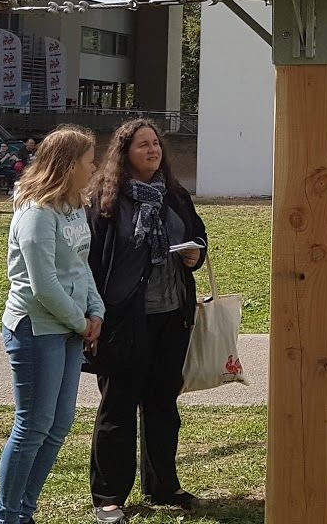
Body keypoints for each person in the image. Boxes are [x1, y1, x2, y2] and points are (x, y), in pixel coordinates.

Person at [86, 119, 209, 521]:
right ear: (124, 152)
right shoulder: (105, 200)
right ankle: (109, 498)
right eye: (143, 145)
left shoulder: (175, 195)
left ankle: (164, 485)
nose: (153, 151)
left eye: (156, 144)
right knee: (117, 408)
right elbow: (92, 261)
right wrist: (94, 313)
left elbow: (197, 237)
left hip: (172, 315)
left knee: (162, 405)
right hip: (125, 319)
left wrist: (195, 255)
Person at [0, 127, 103, 524]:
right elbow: (42, 285)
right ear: (70, 164)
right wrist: (81, 322)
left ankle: (25, 511)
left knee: (58, 426)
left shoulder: (73, 205)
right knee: (33, 426)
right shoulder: (36, 213)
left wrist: (97, 310)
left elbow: (80, 263)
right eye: (89, 160)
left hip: (72, 328)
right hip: (37, 328)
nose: (94, 167)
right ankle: (7, 517)